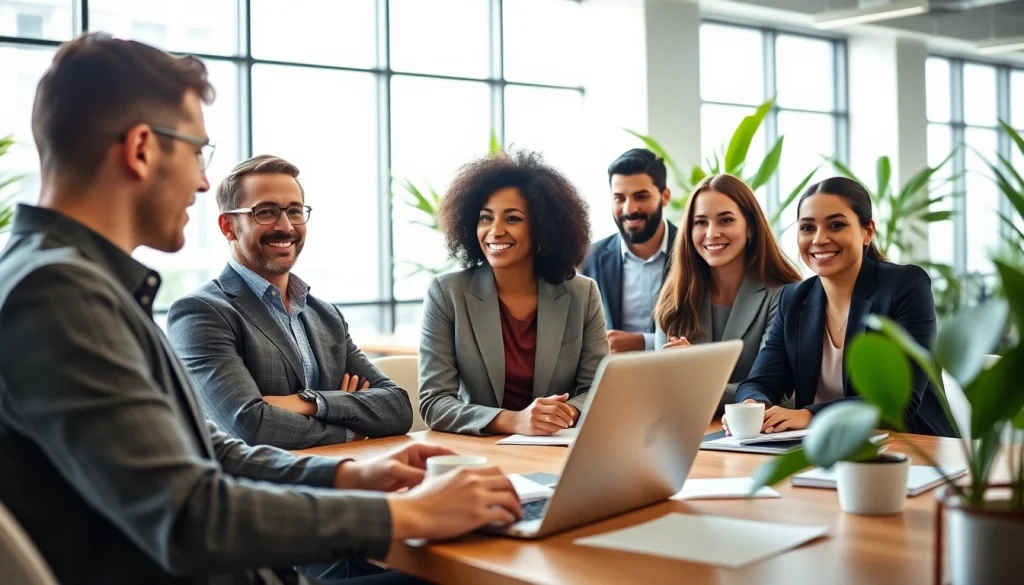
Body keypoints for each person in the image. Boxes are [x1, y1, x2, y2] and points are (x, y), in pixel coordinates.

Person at [0, 32, 521, 585]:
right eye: (197, 152)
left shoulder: (70, 280)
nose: (203, 182)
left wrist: (351, 475)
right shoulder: (59, 292)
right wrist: (407, 514)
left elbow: (210, 450)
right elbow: (191, 515)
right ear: (142, 149)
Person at [167, 155, 413, 451]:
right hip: (257, 480)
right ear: (228, 226)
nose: (286, 226)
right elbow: (250, 427)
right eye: (266, 212)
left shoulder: (326, 316)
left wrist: (308, 403)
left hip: (347, 470)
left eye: (295, 211)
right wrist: (352, 430)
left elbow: (398, 408)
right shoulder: (200, 313)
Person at [732, 177, 955, 437]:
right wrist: (753, 406)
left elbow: (898, 400)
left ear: (867, 231)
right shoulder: (793, 299)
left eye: (836, 225)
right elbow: (760, 381)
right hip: (823, 446)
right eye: (807, 228)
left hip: (911, 444)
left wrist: (810, 416)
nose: (819, 239)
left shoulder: (905, 286)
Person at [418, 150, 608, 436]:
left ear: (542, 228)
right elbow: (434, 403)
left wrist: (560, 415)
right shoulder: (447, 294)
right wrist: (514, 421)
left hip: (557, 444)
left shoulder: (583, 293)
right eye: (485, 218)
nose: (495, 231)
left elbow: (596, 387)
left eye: (512, 219)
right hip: (481, 448)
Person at [653, 174, 802, 411]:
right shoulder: (675, 296)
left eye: (725, 220)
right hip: (692, 428)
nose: (712, 233)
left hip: (759, 430)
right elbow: (666, 389)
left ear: (750, 227)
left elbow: (779, 392)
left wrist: (696, 372)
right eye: (700, 222)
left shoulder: (784, 295)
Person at [581, 148, 677, 352]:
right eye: (619, 198)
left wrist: (642, 342)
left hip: (678, 369)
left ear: (665, 196)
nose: (629, 209)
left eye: (641, 197)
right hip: (612, 370)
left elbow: (708, 332)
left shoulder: (693, 251)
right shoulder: (591, 258)